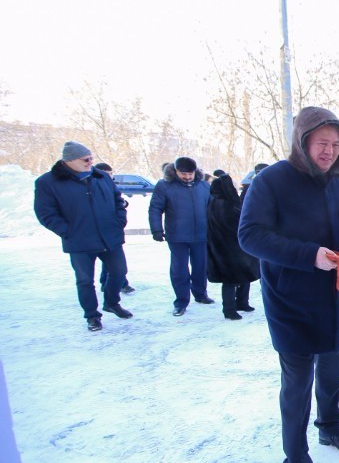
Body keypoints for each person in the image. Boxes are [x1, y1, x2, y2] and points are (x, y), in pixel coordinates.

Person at [239, 106, 339, 463]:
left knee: (332, 367)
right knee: (297, 384)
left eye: (336, 144)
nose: (329, 151)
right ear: (302, 142)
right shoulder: (272, 181)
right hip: (291, 298)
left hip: (336, 295)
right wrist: (309, 255)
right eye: (321, 143)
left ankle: (329, 425)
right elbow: (250, 235)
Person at [34, 142, 133, 331]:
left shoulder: (101, 176)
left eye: (91, 158)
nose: (90, 162)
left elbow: (118, 200)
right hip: (79, 241)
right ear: (69, 161)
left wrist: (119, 221)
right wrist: (68, 231)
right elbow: (45, 213)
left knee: (119, 272)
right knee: (85, 281)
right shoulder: (48, 182)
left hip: (109, 236)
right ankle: (92, 316)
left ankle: (112, 303)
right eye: (85, 159)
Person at [149, 157, 214, 316]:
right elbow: (155, 208)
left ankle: (200, 294)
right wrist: (156, 229)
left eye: (190, 174)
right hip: (177, 236)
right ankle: (181, 301)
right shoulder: (164, 186)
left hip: (201, 234)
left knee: (201, 267)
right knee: (180, 270)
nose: (187, 177)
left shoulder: (204, 185)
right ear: (175, 171)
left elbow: (212, 208)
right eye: (183, 174)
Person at [206, 174, 260, 320]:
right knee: (230, 279)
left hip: (228, 247)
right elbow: (239, 223)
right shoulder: (226, 205)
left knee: (243, 275)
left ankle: (242, 302)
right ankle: (229, 309)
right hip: (230, 247)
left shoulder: (215, 202)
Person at [92, 162, 136, 295]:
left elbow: (118, 201)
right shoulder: (94, 186)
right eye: (107, 174)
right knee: (112, 262)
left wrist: (120, 218)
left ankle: (111, 282)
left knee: (113, 262)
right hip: (97, 232)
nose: (110, 177)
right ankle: (117, 284)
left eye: (111, 174)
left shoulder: (110, 185)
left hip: (112, 230)